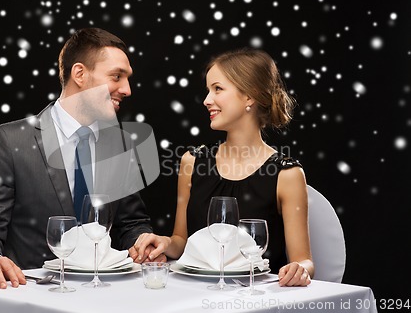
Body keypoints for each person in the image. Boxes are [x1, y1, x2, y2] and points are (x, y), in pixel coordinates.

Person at [0, 27, 164, 290]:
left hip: (106, 293)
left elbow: (131, 223)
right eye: (117, 76)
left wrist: (144, 243)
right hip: (33, 293)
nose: (127, 89)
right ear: (79, 73)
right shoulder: (8, 140)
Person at [130, 48, 314, 287]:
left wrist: (300, 270)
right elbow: (181, 240)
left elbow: (304, 260)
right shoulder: (192, 162)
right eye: (208, 90)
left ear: (250, 96)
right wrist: (164, 242)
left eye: (218, 89)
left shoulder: (287, 174)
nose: (207, 100)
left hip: (257, 299)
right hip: (194, 294)